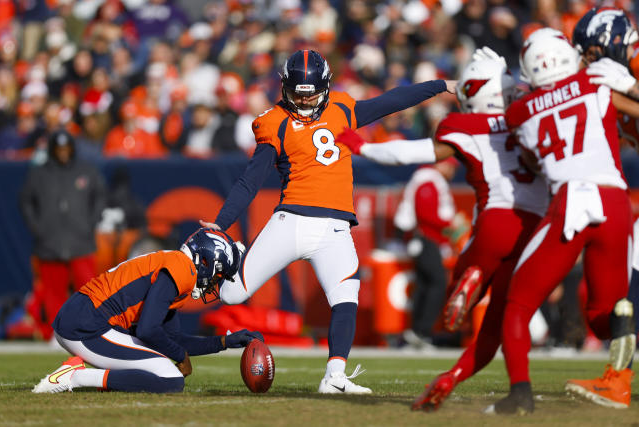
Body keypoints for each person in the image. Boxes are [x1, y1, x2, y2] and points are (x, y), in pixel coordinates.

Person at [199, 49, 455, 394]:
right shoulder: (273, 122)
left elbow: (392, 100)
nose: (305, 104)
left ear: (326, 86)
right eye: (298, 95)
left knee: (346, 294)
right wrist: (221, 223)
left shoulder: (343, 108)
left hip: (335, 228)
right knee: (231, 295)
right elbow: (249, 182)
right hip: (291, 220)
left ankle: (334, 376)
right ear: (285, 88)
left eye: (312, 94)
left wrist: (440, 85)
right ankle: (170, 302)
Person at [336, 48, 548, 410]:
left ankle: (472, 278)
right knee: (507, 317)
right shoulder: (531, 114)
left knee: (463, 278)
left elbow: (409, 154)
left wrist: (363, 148)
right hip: (537, 226)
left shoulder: (463, 126)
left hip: (496, 220)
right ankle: (503, 386)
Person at [486, 29, 637, 415]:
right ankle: (622, 345)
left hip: (570, 200)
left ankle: (520, 393)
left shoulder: (519, 111)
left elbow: (534, 161)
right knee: (607, 317)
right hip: (615, 201)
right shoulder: (595, 79)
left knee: (517, 304)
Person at [32, 227, 263, 393]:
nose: (215, 284)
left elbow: (172, 339)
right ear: (206, 263)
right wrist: (179, 356)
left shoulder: (177, 265)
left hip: (83, 318)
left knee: (164, 366)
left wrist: (226, 342)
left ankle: (78, 374)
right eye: (218, 276)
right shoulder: (182, 270)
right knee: (170, 377)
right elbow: (148, 330)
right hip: (86, 327)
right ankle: (76, 376)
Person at [562, 7, 639, 409]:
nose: (586, 60)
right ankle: (618, 379)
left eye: (590, 52)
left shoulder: (629, 70)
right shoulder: (608, 79)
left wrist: (629, 88)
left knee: (633, 284)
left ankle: (618, 380)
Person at [20, 130, 107, 341]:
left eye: (66, 148)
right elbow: (26, 202)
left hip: (81, 242)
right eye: (59, 149)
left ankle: (91, 331)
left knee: (88, 290)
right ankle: (57, 335)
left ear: (72, 149)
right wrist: (38, 227)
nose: (63, 153)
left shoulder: (86, 170)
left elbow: (100, 196)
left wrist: (90, 223)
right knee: (53, 292)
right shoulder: (39, 173)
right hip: (49, 243)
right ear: (52, 150)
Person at [394, 160, 459, 348]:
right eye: (451, 166)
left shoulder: (430, 180)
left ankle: (416, 332)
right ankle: (422, 330)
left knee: (424, 285)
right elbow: (425, 214)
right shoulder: (428, 181)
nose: (452, 171)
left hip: (427, 240)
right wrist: (450, 226)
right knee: (437, 283)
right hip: (425, 239)